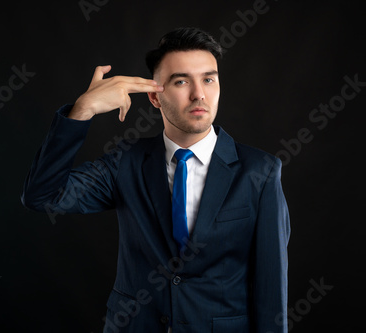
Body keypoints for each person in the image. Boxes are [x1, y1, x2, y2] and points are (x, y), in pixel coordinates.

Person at [21, 27, 290, 333]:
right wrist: (82, 111)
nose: (199, 94)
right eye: (180, 81)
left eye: (208, 79)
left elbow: (272, 287)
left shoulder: (260, 171)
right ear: (154, 96)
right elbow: (42, 196)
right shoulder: (126, 161)